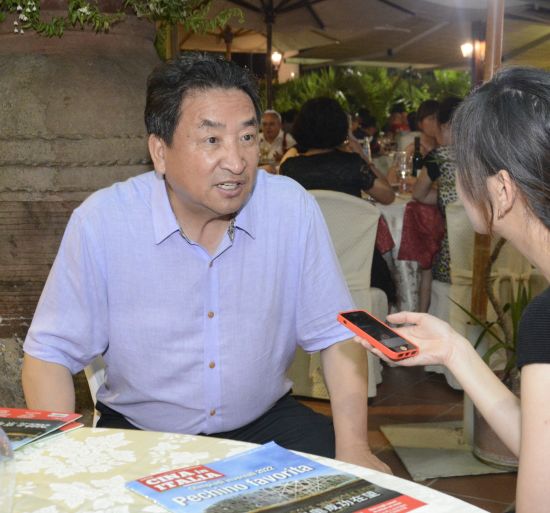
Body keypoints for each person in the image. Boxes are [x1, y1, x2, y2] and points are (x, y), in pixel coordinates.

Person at [21, 53, 389, 473]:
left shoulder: (289, 207)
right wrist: (62, 463)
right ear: (160, 152)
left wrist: (354, 447)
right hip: (142, 432)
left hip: (266, 422)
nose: (236, 161)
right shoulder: (104, 221)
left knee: (359, 488)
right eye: (212, 140)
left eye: (247, 137)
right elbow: (49, 354)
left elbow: (336, 335)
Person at [356, 66, 550, 511]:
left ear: (501, 189)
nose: (456, 182)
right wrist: (454, 351)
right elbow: (542, 448)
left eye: (462, 166)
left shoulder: (545, 318)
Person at [280, 97, 396, 305]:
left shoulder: (290, 168)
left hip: (305, 269)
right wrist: (362, 155)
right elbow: (388, 196)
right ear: (340, 128)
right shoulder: (352, 165)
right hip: (358, 268)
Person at [411, 96, 462, 312]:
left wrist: (444, 197)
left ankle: (424, 314)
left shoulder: (438, 156)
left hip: (453, 263)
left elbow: (418, 194)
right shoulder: (486, 154)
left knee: (427, 260)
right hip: (492, 260)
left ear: (445, 126)